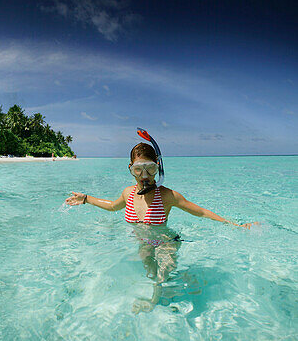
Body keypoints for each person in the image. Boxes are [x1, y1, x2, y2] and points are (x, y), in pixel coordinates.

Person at [64, 129, 256, 311]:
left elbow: (201, 212)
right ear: (130, 169)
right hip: (145, 242)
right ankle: (173, 285)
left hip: (166, 242)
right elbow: (113, 206)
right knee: (148, 268)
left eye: (150, 169)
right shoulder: (128, 193)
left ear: (158, 167)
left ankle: (153, 302)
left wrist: (235, 225)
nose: (145, 176)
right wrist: (87, 199)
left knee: (161, 275)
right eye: (139, 170)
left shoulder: (167, 196)